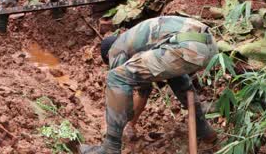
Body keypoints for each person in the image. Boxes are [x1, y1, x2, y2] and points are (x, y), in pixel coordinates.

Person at [80, 16, 218, 154]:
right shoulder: (136, 40)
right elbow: (144, 90)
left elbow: (120, 82)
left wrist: (124, 124)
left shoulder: (116, 50)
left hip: (186, 47)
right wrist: (131, 125)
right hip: (209, 45)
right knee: (176, 77)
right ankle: (204, 130)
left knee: (115, 77)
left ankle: (110, 148)